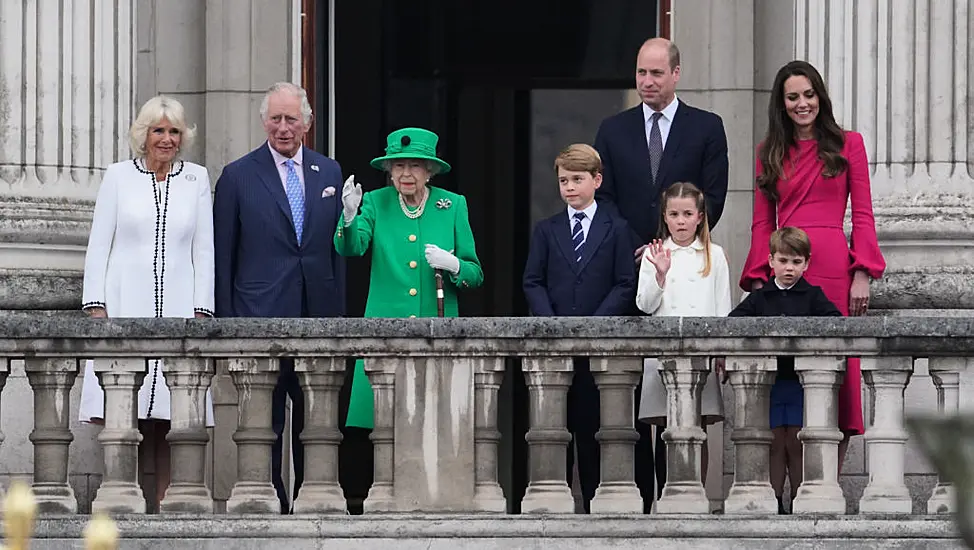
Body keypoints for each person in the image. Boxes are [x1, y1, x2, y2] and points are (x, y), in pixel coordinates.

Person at [593, 37, 729, 508]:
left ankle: (687, 496)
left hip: (689, 268)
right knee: (638, 403)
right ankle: (644, 498)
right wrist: (639, 248)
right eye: (640, 73)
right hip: (629, 269)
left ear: (676, 74)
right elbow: (602, 198)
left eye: (656, 73)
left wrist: (675, 240)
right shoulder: (613, 129)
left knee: (690, 416)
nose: (647, 82)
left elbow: (714, 193)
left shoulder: (706, 127)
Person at [740, 60, 886, 472]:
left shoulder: (849, 143)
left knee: (838, 375)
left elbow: (864, 215)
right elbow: (761, 222)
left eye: (809, 95)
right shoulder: (767, 151)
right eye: (793, 97)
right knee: (787, 372)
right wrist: (758, 281)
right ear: (781, 103)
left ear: (820, 97)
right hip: (784, 267)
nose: (802, 104)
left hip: (834, 269)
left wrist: (862, 272)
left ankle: (828, 485)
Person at [213, 82, 347, 514]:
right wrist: (227, 325)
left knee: (317, 423)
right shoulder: (237, 175)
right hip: (258, 318)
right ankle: (268, 502)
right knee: (263, 426)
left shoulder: (329, 173)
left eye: (292, 119)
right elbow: (223, 253)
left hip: (317, 318)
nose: (283, 128)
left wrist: (338, 318)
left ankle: (313, 501)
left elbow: (336, 250)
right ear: (263, 122)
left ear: (307, 123)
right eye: (276, 118)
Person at [79, 95, 214, 511]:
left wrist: (201, 310)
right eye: (159, 130)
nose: (167, 139)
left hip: (178, 306)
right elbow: (99, 244)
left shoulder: (196, 178)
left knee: (174, 414)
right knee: (126, 411)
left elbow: (203, 250)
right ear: (144, 134)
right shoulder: (119, 177)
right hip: (125, 304)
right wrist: (96, 306)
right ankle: (124, 501)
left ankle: (171, 504)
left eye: (174, 131)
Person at [336, 127, 483, 430]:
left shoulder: (452, 205)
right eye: (399, 165)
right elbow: (351, 247)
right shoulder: (376, 202)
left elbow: (475, 274)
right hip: (385, 336)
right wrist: (349, 217)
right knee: (383, 430)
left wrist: (454, 264)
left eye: (415, 165)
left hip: (436, 338)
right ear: (389, 171)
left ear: (429, 171)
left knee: (435, 429)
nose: (406, 173)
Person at [522, 144, 636, 513]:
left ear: (596, 180)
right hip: (556, 348)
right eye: (563, 181)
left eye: (577, 179)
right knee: (552, 431)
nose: (569, 187)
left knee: (593, 430)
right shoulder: (547, 229)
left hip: (599, 348)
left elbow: (624, 282)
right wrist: (553, 324)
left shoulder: (617, 228)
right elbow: (533, 281)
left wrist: (595, 324)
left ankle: (591, 507)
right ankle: (553, 507)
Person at [729, 227, 841, 514]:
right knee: (774, 442)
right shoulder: (760, 297)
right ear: (770, 261)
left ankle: (801, 499)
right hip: (771, 383)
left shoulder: (813, 295)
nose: (789, 268)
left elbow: (836, 322)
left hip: (800, 383)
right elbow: (732, 323)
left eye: (796, 262)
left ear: (807, 263)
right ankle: (775, 499)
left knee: (798, 441)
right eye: (783, 260)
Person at [634, 182, 730, 499]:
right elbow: (644, 305)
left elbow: (723, 309)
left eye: (687, 214)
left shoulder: (714, 255)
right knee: (666, 429)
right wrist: (659, 274)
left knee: (696, 429)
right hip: (663, 355)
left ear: (700, 217)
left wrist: (722, 354)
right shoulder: (654, 253)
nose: (681, 221)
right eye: (674, 214)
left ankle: (696, 494)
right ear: (665, 216)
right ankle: (668, 496)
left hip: (701, 354)